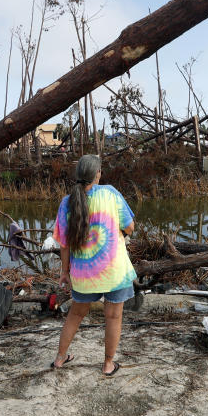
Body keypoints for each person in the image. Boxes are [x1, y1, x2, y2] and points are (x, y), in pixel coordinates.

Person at [51, 154, 135, 376]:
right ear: (98, 173)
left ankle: (60, 359)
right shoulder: (110, 193)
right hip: (114, 271)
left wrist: (64, 272)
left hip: (83, 274)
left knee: (75, 315)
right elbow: (130, 227)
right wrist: (119, 232)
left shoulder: (66, 202)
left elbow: (64, 244)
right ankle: (108, 365)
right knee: (114, 317)